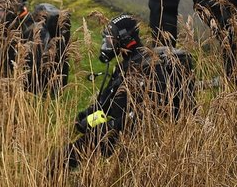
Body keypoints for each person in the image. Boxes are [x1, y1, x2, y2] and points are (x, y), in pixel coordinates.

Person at [66, 15, 193, 168]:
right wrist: (84, 118)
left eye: (110, 39)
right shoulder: (124, 66)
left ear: (126, 39)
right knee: (70, 151)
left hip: (132, 134)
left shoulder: (150, 66)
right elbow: (105, 102)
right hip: (119, 127)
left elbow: (148, 113)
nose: (107, 45)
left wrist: (112, 126)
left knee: (67, 156)